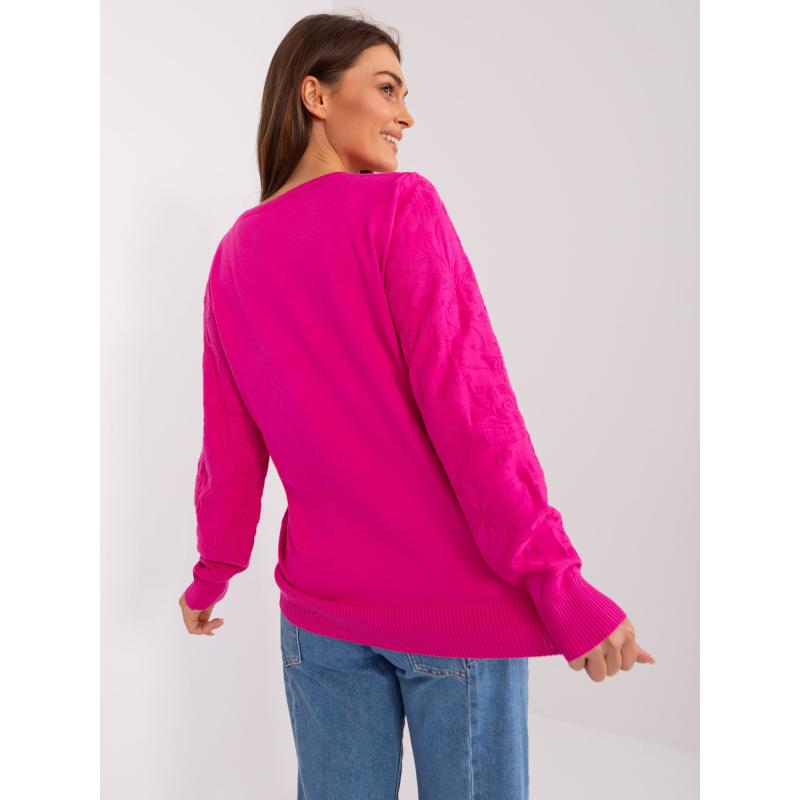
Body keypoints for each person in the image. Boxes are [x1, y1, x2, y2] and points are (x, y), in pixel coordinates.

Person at [177, 11, 655, 799]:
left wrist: (212, 574)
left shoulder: (234, 255)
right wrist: (559, 584)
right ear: (315, 95)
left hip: (319, 617)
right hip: (452, 608)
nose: (405, 115)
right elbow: (476, 416)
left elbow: (229, 451)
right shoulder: (400, 207)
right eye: (387, 88)